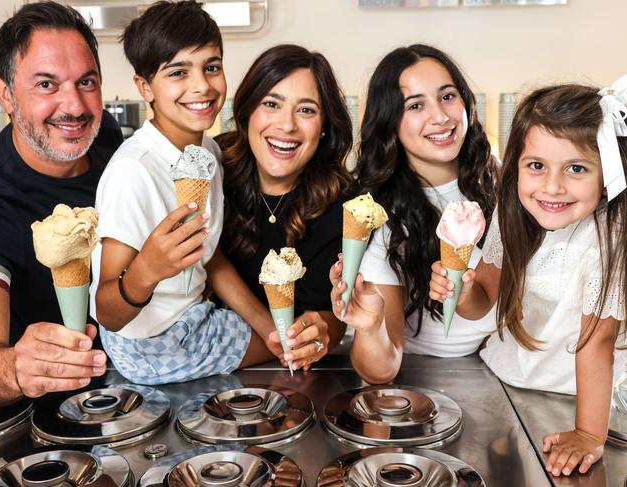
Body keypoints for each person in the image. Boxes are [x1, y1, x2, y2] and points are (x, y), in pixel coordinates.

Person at [92, 1, 302, 385]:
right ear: (145, 87)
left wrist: (273, 329)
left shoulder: (208, 153)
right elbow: (107, 311)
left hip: (189, 319)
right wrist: (148, 270)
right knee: (298, 358)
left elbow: (210, 256)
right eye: (178, 72)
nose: (201, 85)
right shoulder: (133, 171)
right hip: (152, 344)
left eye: (212, 66)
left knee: (290, 340)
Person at [429, 81, 627, 476]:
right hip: (514, 374)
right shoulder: (514, 214)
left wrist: (588, 434)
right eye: (536, 166)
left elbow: (598, 342)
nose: (552, 187)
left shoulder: (608, 239)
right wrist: (463, 292)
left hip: (580, 394)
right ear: (516, 165)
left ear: (608, 174)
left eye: (576, 169)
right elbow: (486, 295)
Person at [0, 1, 122, 405]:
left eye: (87, 82)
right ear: (5, 93)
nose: (75, 106)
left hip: (145, 383)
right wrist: (15, 368)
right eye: (46, 85)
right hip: (57, 422)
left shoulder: (106, 137)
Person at [330, 44, 497, 384]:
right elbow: (381, 370)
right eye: (416, 105)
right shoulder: (378, 215)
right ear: (389, 122)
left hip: (503, 368)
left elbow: (497, 303)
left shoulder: (509, 184)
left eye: (448, 96)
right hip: (425, 377)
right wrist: (371, 326)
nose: (440, 116)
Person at [218, 44, 352, 370]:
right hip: (205, 364)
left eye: (306, 110)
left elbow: (328, 316)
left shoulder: (342, 203)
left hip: (292, 374)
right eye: (271, 104)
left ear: (324, 128)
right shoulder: (213, 167)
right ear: (247, 112)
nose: (287, 125)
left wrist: (321, 335)